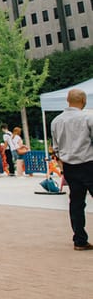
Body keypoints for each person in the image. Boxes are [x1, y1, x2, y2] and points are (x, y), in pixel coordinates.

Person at [50, 88, 93, 251]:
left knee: (76, 202)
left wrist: (62, 163)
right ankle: (81, 240)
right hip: (88, 163)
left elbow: (55, 147)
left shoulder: (56, 121)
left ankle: (79, 239)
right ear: (83, 100)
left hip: (69, 166)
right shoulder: (88, 117)